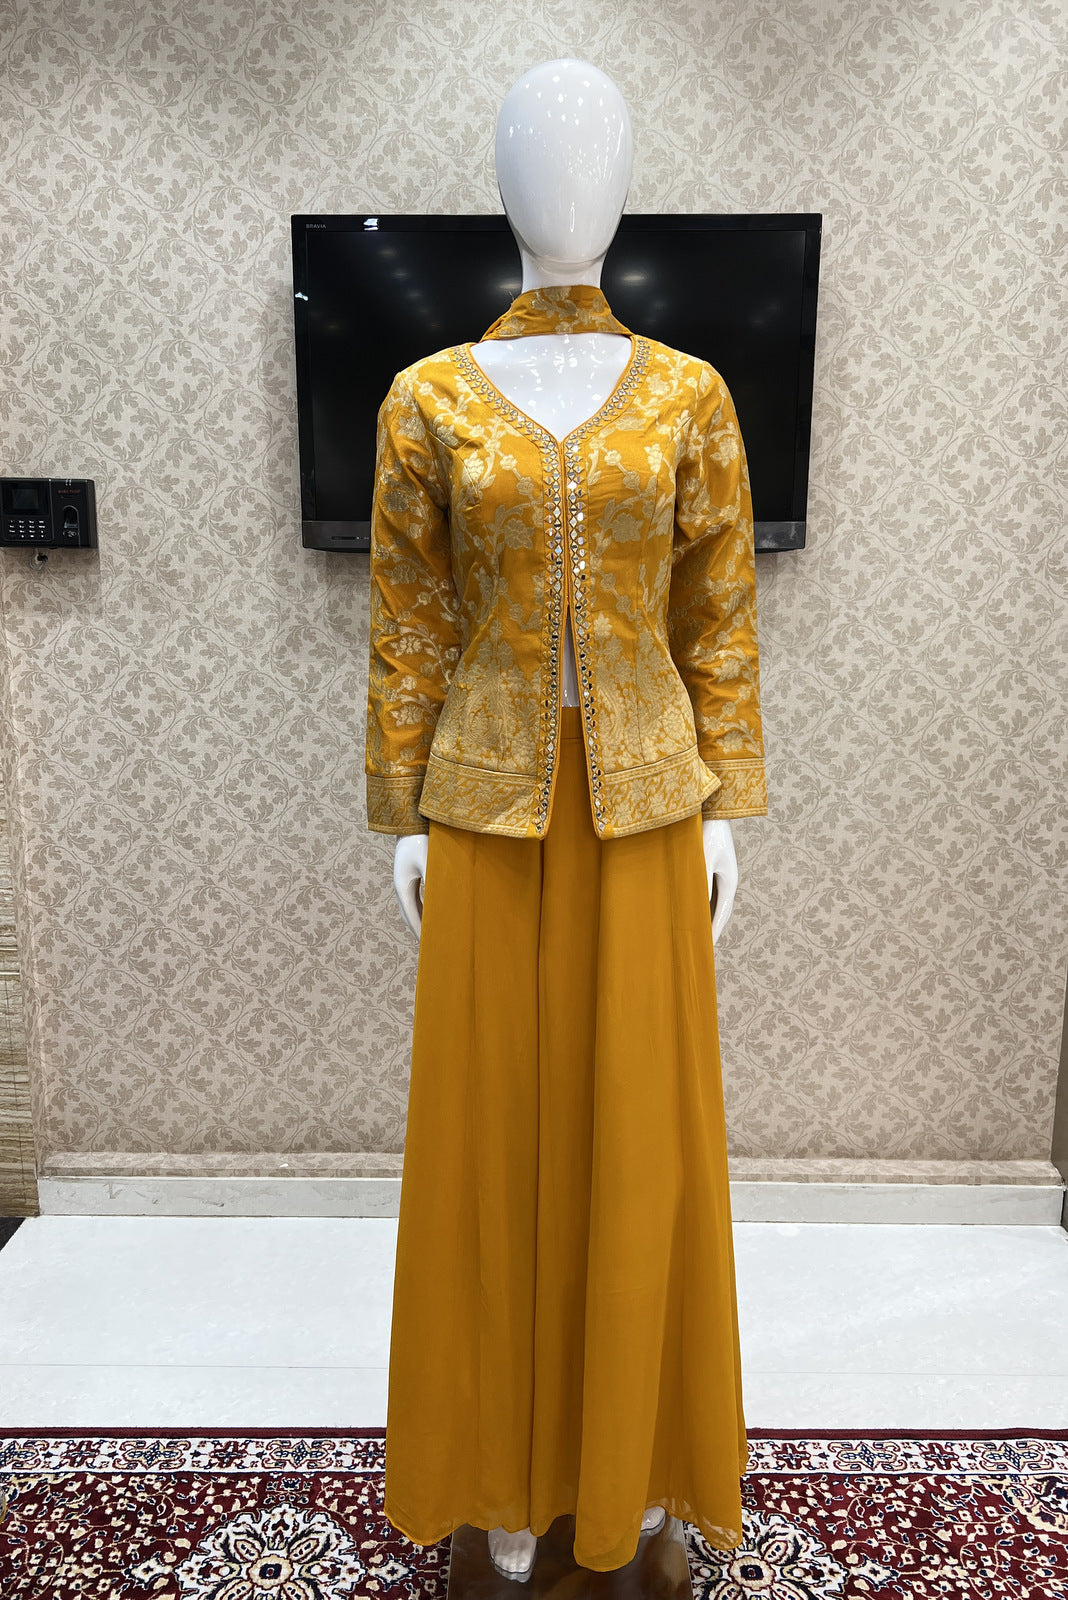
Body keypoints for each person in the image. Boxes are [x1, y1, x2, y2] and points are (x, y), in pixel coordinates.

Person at [365, 57, 767, 1579]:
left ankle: (635, 1468)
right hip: (484, 815)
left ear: (628, 182)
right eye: (540, 153)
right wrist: (404, 813)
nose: (568, 180)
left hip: (651, 813)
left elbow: (719, 616)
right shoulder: (427, 398)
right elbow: (409, 622)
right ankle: (499, 1473)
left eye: (593, 152)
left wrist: (723, 804)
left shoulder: (689, 394)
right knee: (491, 1148)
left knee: (640, 1139)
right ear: (499, 184)